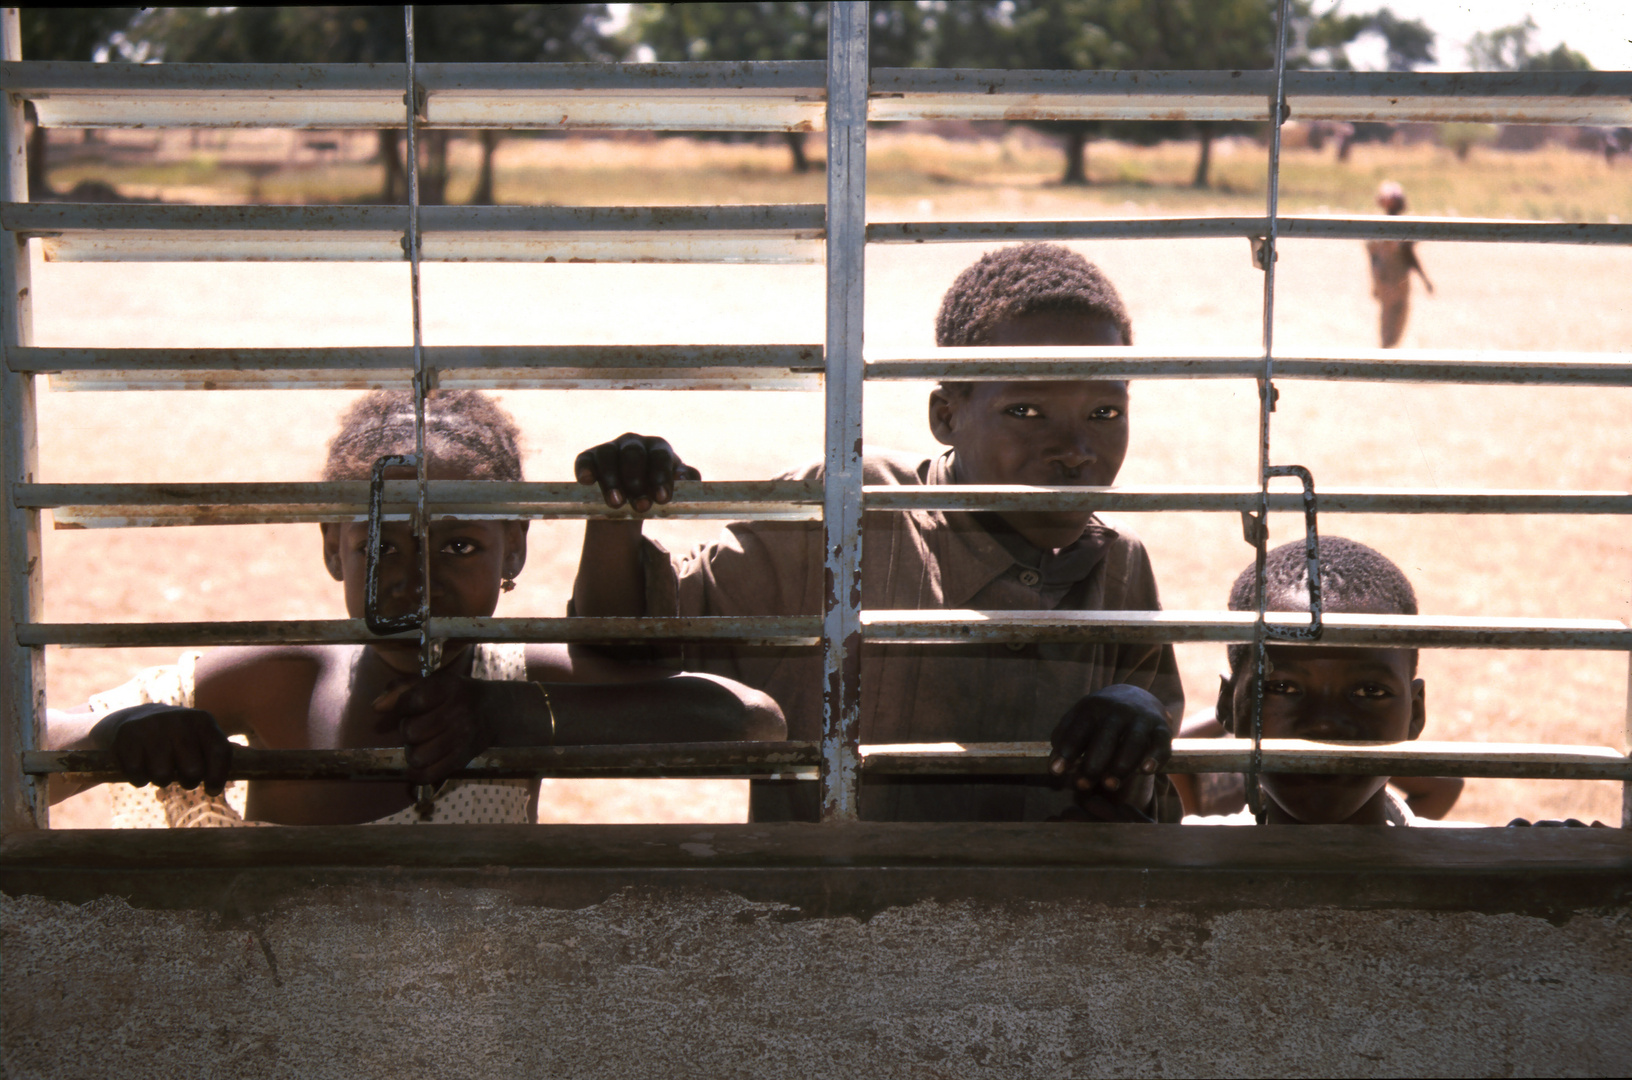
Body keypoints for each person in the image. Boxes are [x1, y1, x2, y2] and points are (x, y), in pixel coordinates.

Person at [571, 243, 1182, 823]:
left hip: (1035, 925)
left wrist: (1140, 717)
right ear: (947, 414)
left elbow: (1145, 805)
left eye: (1106, 413)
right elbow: (627, 645)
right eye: (1025, 411)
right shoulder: (847, 521)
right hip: (835, 921)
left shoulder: (1121, 569)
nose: (1075, 452)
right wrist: (619, 509)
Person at [43, 390, 785, 827]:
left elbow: (749, 721)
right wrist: (125, 733)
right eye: (383, 549)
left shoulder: (516, 676)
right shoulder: (290, 679)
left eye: (459, 549)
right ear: (335, 548)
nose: (417, 583)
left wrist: (505, 716)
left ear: (515, 551)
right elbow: (46, 736)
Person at [1184, 535, 1471, 827]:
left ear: (1416, 713)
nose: (1325, 724)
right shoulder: (1181, 856)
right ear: (1228, 705)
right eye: (1282, 688)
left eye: (1369, 691)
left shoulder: (1481, 860)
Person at [1366, 180, 1433, 349]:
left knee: (1387, 318)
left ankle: (1384, 353)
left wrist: (1374, 283)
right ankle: (1386, 357)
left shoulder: (1375, 227)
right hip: (1397, 280)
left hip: (1382, 278)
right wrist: (1425, 279)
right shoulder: (1402, 227)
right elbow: (1409, 255)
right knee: (1396, 319)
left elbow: (1372, 258)